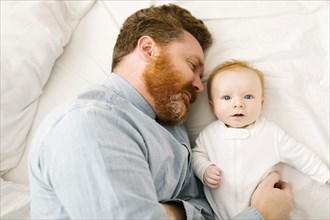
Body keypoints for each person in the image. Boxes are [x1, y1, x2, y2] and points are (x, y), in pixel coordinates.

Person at [29, 4, 293, 219]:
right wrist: (261, 215)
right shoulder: (90, 123)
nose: (200, 86)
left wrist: (173, 211)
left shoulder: (168, 126)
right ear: (148, 49)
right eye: (192, 66)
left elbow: (203, 209)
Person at [192, 59, 330, 220]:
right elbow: (196, 156)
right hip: (218, 215)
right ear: (212, 106)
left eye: (248, 96)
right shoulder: (209, 134)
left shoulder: (270, 133)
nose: (238, 104)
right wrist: (204, 169)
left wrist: (324, 175)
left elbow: (301, 155)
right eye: (227, 97)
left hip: (268, 212)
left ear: (261, 103)